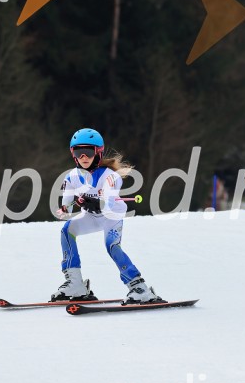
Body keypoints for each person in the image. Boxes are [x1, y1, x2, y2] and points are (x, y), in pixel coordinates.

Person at [51, 128, 164, 305]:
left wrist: (95, 202)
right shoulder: (71, 176)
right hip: (90, 217)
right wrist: (66, 208)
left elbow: (108, 205)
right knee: (67, 231)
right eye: (78, 153)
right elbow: (66, 205)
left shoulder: (110, 176)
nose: (83, 157)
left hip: (111, 217)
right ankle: (75, 284)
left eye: (88, 152)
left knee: (112, 246)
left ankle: (139, 288)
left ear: (98, 153)